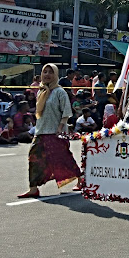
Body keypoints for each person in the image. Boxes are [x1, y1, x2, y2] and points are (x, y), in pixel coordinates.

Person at [17, 63, 80, 198]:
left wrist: (60, 127)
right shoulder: (41, 91)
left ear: (56, 75)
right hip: (41, 131)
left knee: (62, 158)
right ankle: (33, 188)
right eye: (45, 72)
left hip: (55, 132)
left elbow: (66, 112)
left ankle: (81, 179)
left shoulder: (59, 92)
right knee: (34, 157)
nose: (47, 75)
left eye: (50, 72)